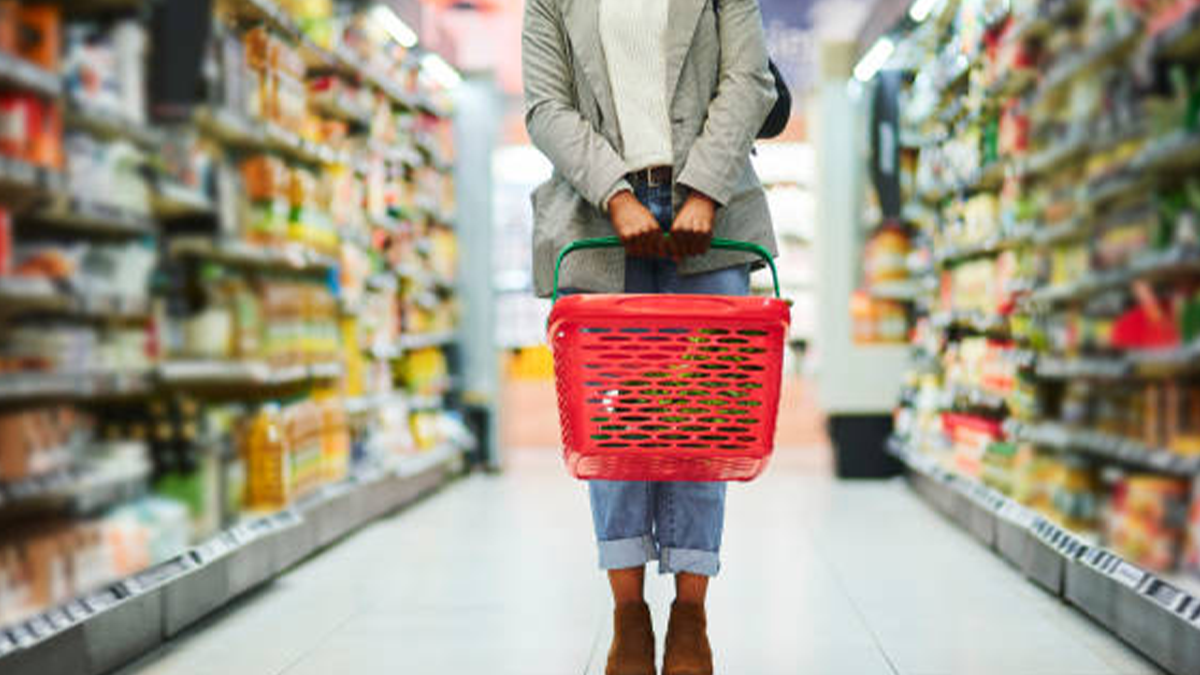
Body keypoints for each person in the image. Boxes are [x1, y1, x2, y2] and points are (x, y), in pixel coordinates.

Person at [522, 0, 778, 673]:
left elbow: (749, 81)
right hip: (596, 213)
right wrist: (615, 193)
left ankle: (690, 612)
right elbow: (547, 107)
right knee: (614, 426)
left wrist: (704, 188)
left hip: (712, 215)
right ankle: (627, 610)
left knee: (704, 421)